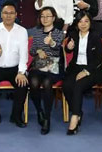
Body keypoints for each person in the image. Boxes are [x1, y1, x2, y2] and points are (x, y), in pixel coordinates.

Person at [0, 1, 29, 128]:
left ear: (16, 15)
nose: (8, 16)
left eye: (11, 13)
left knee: (23, 84)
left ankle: (16, 116)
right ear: (1, 14)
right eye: (5, 13)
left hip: (15, 68)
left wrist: (21, 72)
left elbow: (23, 54)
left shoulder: (22, 31)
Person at [63, 11, 102, 135]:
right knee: (66, 86)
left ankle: (75, 117)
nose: (83, 24)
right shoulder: (73, 34)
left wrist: (86, 71)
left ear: (90, 22)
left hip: (92, 69)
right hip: (75, 68)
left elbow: (98, 59)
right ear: (77, 23)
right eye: (80, 21)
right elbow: (68, 50)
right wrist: (68, 48)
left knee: (78, 85)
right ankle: (78, 111)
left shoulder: (95, 36)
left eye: (86, 21)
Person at [28, 7, 65, 135]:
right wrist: (38, 51)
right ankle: (39, 111)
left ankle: (47, 118)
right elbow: (32, 51)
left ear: (53, 18)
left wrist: (51, 43)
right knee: (33, 82)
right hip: (39, 66)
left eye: (48, 16)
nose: (45, 19)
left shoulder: (59, 33)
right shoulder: (37, 33)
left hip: (53, 67)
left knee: (47, 82)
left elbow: (58, 48)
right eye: (42, 16)